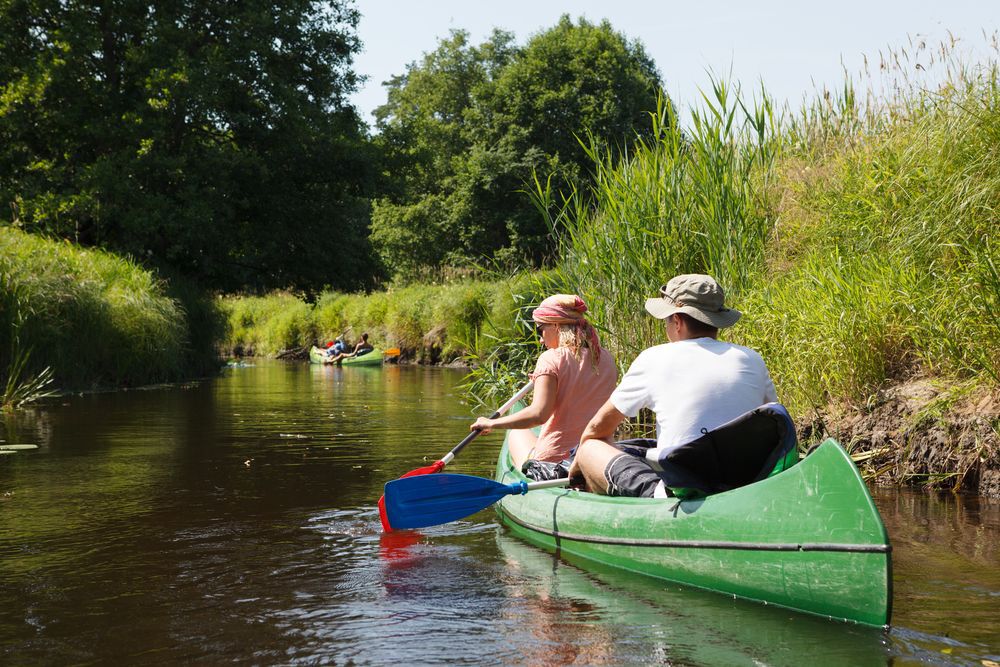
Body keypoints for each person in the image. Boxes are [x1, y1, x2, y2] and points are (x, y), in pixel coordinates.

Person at [569, 274, 778, 498]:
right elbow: (772, 420)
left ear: (677, 321)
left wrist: (579, 464)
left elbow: (597, 429)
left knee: (590, 446)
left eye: (667, 320)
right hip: (745, 482)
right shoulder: (752, 359)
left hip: (682, 489)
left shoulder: (654, 358)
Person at [470, 294, 617, 470]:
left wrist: (491, 423)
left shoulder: (550, 358)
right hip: (597, 458)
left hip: (555, 462)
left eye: (540, 330)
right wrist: (544, 379)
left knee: (516, 432)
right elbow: (579, 389)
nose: (540, 339)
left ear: (556, 325)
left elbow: (538, 415)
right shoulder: (606, 358)